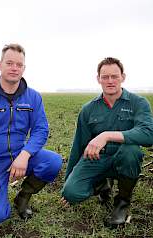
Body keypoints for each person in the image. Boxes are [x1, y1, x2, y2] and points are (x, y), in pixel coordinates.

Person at [0, 43, 62, 224]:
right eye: (9, 63)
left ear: (24, 68)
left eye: (19, 64)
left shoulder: (33, 97)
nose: (14, 68)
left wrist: (25, 155)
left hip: (19, 154)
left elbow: (41, 129)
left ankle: (23, 197)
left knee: (53, 161)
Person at [62, 57, 153, 228]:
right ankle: (102, 184)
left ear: (123, 77)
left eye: (114, 76)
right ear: (98, 79)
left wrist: (107, 135)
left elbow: (148, 134)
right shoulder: (89, 109)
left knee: (131, 151)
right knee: (71, 193)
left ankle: (122, 203)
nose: (110, 81)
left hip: (123, 157)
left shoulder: (138, 103)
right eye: (105, 77)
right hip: (98, 159)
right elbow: (78, 146)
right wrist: (68, 181)